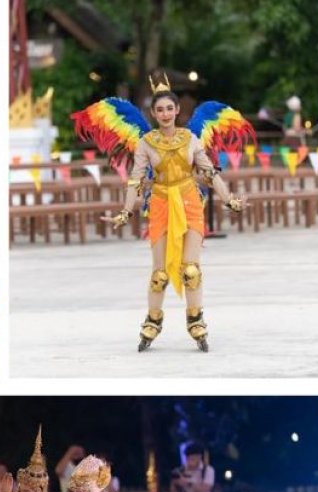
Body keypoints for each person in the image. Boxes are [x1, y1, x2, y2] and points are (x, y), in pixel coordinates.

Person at [76, 71, 251, 353]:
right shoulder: (146, 143)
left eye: (170, 108)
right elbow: (135, 178)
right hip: (159, 204)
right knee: (159, 274)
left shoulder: (191, 138)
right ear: (153, 113)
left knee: (191, 269)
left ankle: (195, 319)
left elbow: (208, 171)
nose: (166, 113)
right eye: (160, 109)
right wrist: (125, 211)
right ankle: (153, 320)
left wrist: (229, 199)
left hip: (190, 202)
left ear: (178, 110)